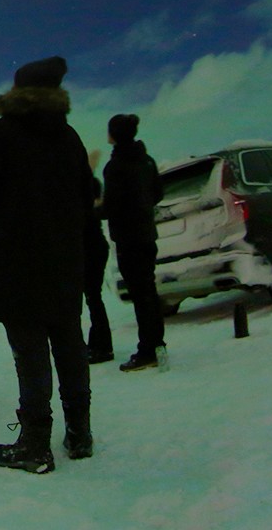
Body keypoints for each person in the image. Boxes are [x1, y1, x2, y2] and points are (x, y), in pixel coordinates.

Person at [0, 56, 95, 474]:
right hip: (64, 260)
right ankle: (79, 433)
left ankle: (36, 443)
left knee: (31, 351)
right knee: (69, 342)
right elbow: (85, 195)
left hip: (17, 261)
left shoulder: (0, 134)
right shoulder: (70, 138)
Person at [101, 113, 167, 372]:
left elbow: (111, 206)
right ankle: (157, 345)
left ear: (114, 134)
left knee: (140, 295)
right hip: (147, 235)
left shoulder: (116, 166)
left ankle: (147, 350)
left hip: (128, 238)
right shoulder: (146, 160)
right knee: (149, 292)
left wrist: (92, 210)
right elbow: (158, 193)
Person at [81, 149, 113, 364]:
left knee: (92, 297)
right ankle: (100, 343)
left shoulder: (75, 188)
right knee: (94, 296)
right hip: (97, 245)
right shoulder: (93, 185)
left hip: (86, 247)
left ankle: (100, 345)